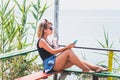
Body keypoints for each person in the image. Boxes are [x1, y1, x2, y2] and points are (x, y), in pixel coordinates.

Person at [37, 19, 108, 74]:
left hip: (54, 63)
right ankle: (86, 69)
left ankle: (97, 68)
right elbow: (52, 51)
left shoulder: (47, 40)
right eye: (51, 28)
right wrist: (67, 47)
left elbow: (56, 51)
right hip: (50, 66)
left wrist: (55, 43)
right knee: (68, 51)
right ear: (45, 30)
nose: (52, 30)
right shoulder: (41, 41)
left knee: (76, 59)